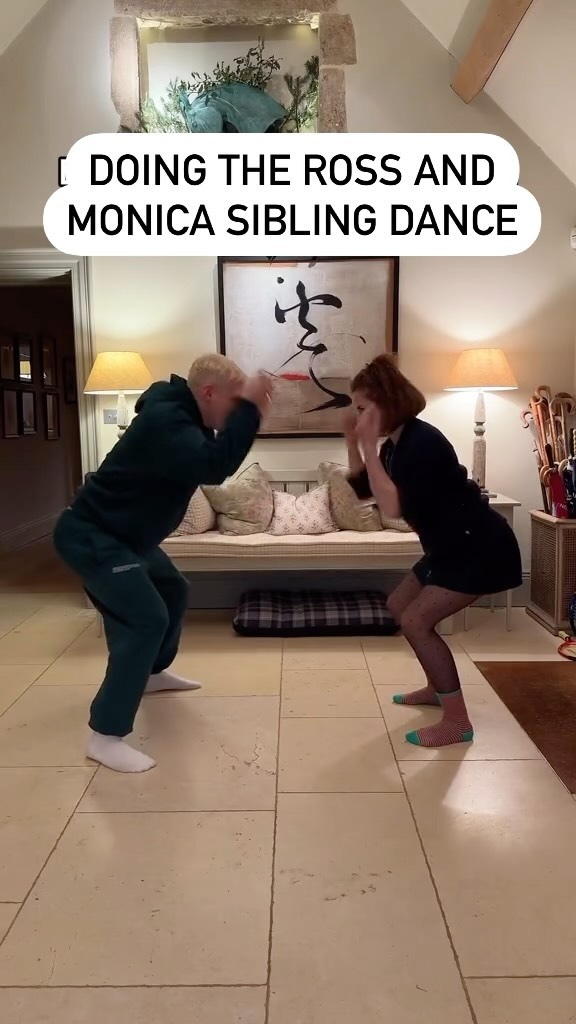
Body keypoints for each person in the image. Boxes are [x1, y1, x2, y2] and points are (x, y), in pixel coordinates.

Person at [53, 354, 272, 773]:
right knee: (146, 619)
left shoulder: (184, 418)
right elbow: (214, 467)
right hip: (93, 536)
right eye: (233, 401)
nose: (236, 411)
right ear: (208, 393)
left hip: (126, 538)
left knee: (172, 589)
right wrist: (251, 410)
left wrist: (244, 408)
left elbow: (213, 457)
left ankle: (152, 674)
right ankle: (105, 735)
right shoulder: (166, 421)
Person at [346, 354, 522, 748]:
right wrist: (353, 442)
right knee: (399, 606)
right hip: (448, 547)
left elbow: (392, 506)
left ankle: (457, 722)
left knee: (415, 622)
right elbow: (363, 491)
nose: (358, 417)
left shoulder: (422, 443)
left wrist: (367, 447)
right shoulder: (395, 445)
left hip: (477, 547)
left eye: (362, 409)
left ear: (388, 404)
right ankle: (435, 687)